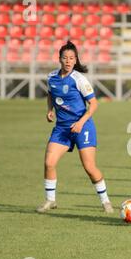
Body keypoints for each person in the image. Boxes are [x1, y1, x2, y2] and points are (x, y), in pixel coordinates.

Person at [36, 41, 113, 214]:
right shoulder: (51, 77)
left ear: (75, 59)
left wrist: (80, 122)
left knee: (89, 168)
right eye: (65, 58)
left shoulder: (79, 79)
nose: (68, 61)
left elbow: (93, 104)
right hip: (62, 129)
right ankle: (50, 200)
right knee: (49, 163)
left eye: (72, 58)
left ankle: (105, 201)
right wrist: (50, 110)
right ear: (59, 59)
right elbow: (50, 94)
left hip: (82, 127)